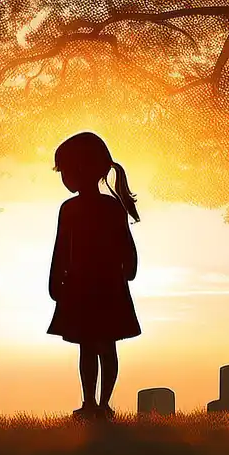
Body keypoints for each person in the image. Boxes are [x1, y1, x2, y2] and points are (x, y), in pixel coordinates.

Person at [47, 131, 141, 420]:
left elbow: (124, 244)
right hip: (95, 286)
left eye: (65, 171)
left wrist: (56, 282)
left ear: (81, 170)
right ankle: (93, 403)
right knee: (94, 346)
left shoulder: (89, 209)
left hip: (95, 286)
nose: (64, 178)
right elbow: (62, 249)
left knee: (97, 346)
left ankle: (100, 404)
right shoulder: (82, 208)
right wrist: (56, 281)